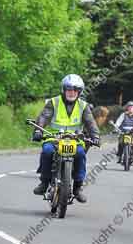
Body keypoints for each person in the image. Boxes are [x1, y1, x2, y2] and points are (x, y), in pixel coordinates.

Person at [32, 74, 100, 203]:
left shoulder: (83, 106)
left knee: (80, 154)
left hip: (75, 139)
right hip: (54, 138)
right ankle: (44, 183)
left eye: (75, 90)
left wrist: (95, 136)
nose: (72, 92)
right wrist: (38, 130)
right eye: (69, 89)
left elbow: (91, 123)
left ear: (79, 92)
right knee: (47, 152)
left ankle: (77, 188)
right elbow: (44, 117)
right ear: (63, 89)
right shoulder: (54, 102)